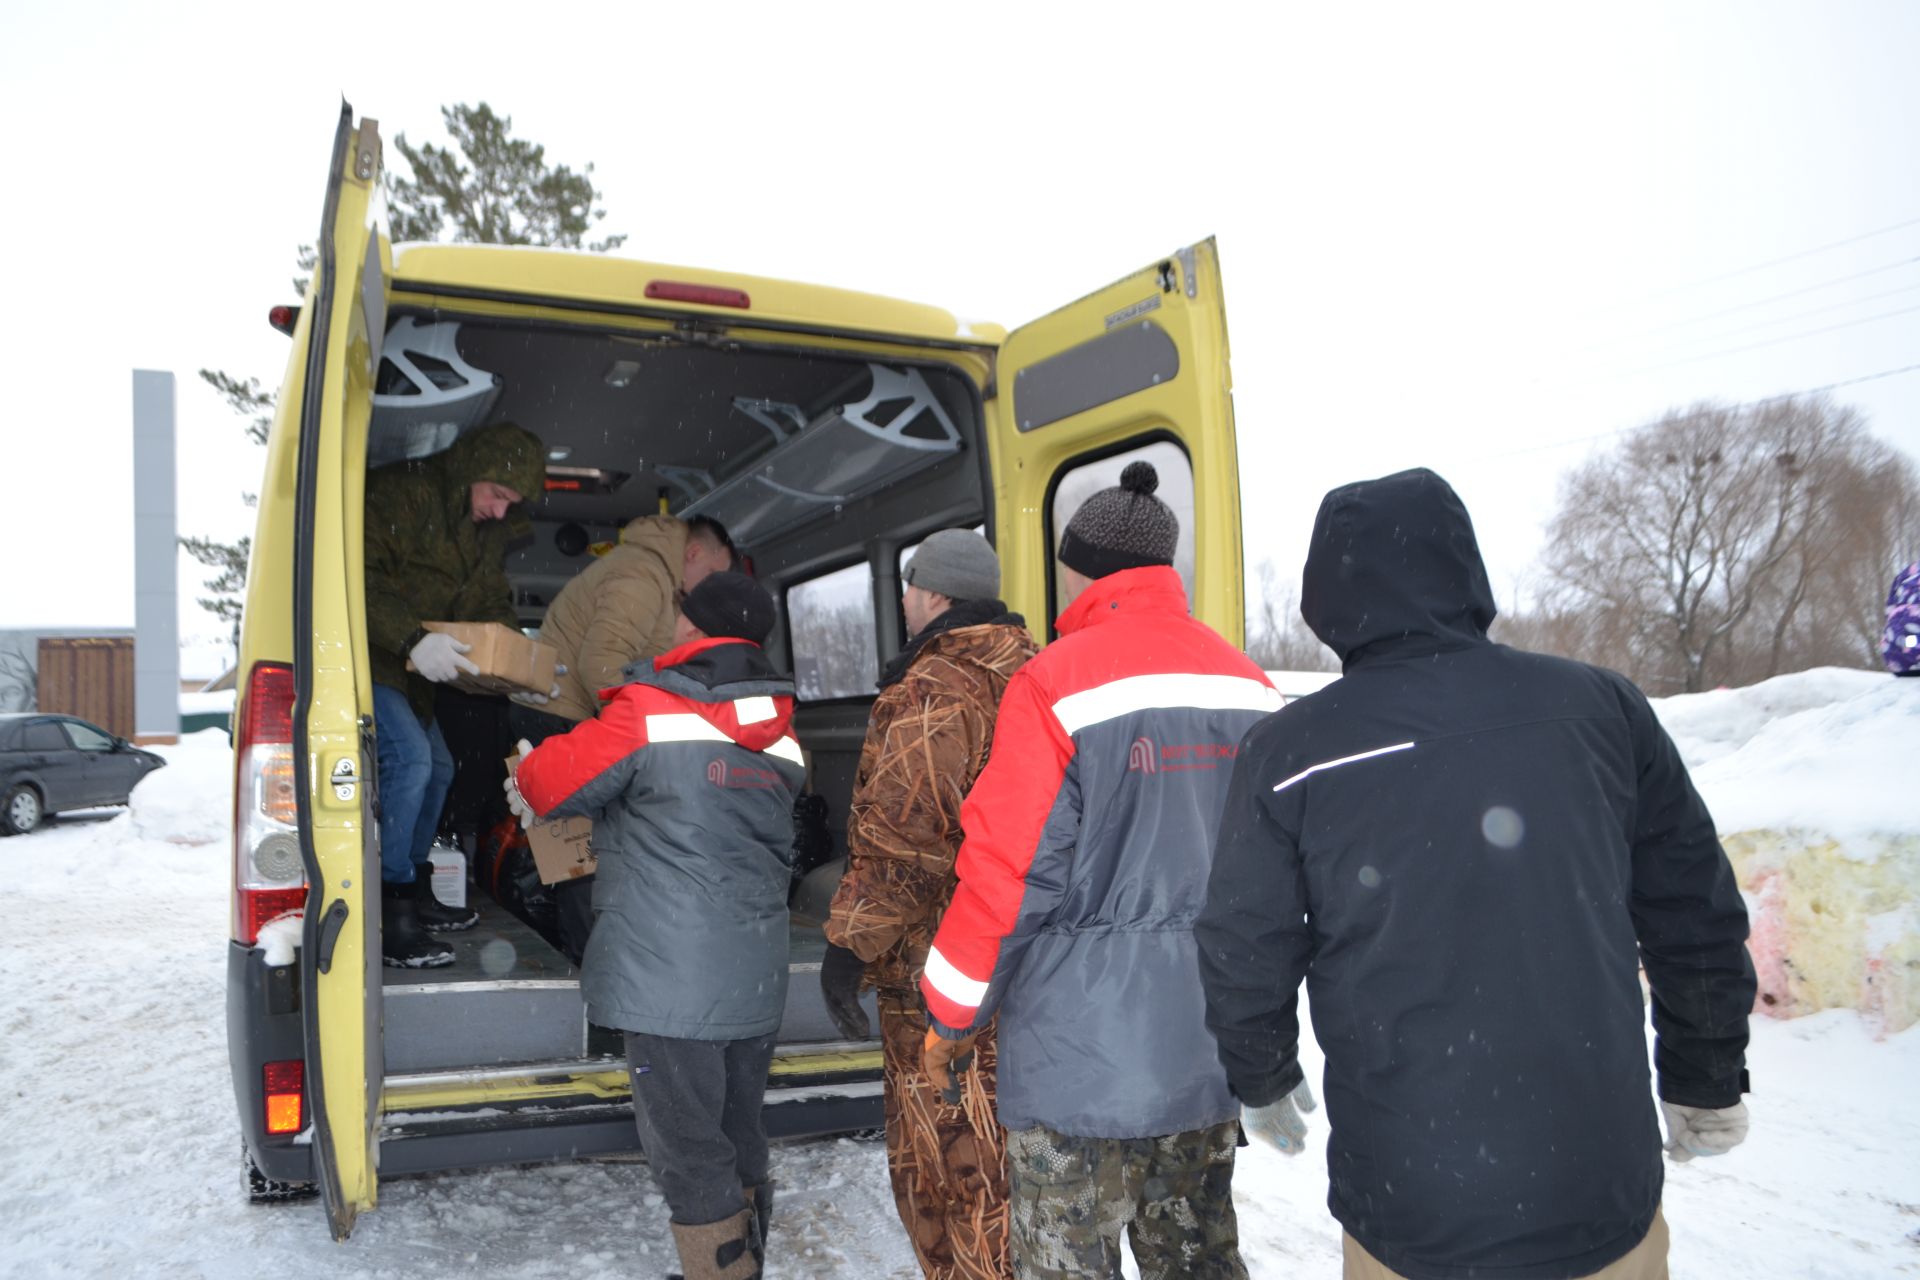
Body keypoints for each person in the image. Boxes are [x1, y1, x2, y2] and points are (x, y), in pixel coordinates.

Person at [1196, 467, 1756, 1280]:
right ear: (1463, 565)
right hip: (1595, 1178)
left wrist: (1262, 1075)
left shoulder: (1292, 752)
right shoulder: (1600, 708)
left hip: (1411, 1195)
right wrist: (1706, 1073)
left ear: (1328, 595)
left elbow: (1244, 942)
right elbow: (1692, 908)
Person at [917, 462, 1280, 1280]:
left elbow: (1008, 873)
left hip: (1079, 1062)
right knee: (1197, 1262)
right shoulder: (1248, 684)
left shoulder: (1054, 683)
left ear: (1077, 568)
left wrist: (950, 1013)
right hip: (1206, 1048)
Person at [508, 571, 803, 1280]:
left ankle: (722, 1271)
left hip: (669, 979)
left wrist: (534, 762)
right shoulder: (787, 735)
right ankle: (746, 1258)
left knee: (686, 1145)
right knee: (737, 1128)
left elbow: (549, 783)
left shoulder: (650, 712)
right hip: (754, 972)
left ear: (694, 629)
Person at [822, 528, 1037, 1280]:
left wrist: (848, 946)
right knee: (1005, 1164)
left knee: (949, 1172)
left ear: (933, 594)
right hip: (1028, 962)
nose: (906, 600)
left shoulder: (937, 689)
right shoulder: (1036, 674)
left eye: (910, 587)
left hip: (940, 970)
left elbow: (905, 843)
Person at [515, 513, 738, 960]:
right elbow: (602, 662)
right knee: (577, 858)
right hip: (560, 718)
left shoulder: (662, 581)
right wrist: (636, 734)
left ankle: (585, 956)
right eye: (713, 573)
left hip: (574, 717)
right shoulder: (643, 573)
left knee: (578, 855)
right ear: (692, 554)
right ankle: (580, 964)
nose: (711, 587)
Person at [365, 422, 546, 969]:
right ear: (472, 473)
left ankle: (413, 889)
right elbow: (360, 574)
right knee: (413, 763)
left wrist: (524, 663)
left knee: (440, 769)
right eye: (496, 495)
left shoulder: (482, 531)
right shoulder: (407, 493)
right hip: (374, 656)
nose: (498, 511)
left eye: (510, 502)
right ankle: (388, 909)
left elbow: (490, 601)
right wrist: (412, 640)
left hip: (414, 674)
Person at [1883, 561, 1919, 676]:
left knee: (1906, 639)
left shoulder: (1906, 572)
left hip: (1894, 659)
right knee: (1911, 639)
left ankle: (1908, 651)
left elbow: (1889, 607)